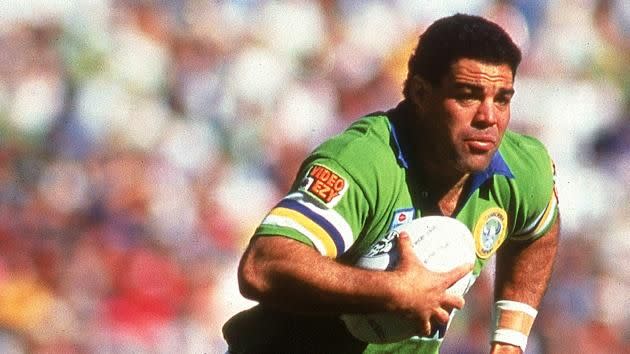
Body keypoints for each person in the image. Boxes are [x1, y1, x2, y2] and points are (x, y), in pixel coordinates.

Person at [222, 13, 560, 354]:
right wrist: (392, 290)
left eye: (502, 99)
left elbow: (540, 224)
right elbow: (263, 265)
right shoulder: (364, 163)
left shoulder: (521, 169)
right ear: (420, 93)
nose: (488, 117)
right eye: (467, 96)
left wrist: (510, 340)